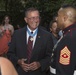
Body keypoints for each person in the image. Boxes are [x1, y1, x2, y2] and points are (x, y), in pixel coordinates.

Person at [7, 7, 53, 75]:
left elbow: (50, 56)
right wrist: (18, 61)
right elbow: (10, 54)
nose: (35, 20)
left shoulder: (47, 36)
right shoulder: (17, 34)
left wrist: (40, 64)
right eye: (32, 18)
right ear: (26, 20)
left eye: (37, 17)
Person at [51, 5, 76, 75]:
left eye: (58, 16)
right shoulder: (71, 33)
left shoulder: (68, 38)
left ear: (64, 18)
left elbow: (64, 70)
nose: (56, 19)